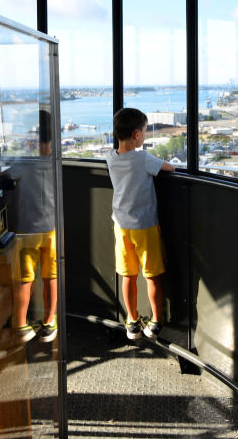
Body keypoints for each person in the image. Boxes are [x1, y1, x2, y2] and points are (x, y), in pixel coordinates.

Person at [106, 108, 175, 340]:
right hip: (144, 225)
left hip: (121, 225)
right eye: (144, 132)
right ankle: (156, 321)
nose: (145, 136)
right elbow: (170, 168)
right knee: (152, 275)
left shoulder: (110, 158)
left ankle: (132, 321)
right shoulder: (143, 158)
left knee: (128, 275)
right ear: (137, 135)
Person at [8, 109, 58, 344]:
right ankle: (49, 322)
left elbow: (7, 175)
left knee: (25, 279)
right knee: (51, 276)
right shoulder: (55, 163)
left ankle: (20, 325)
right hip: (51, 229)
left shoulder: (23, 162)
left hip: (26, 229)